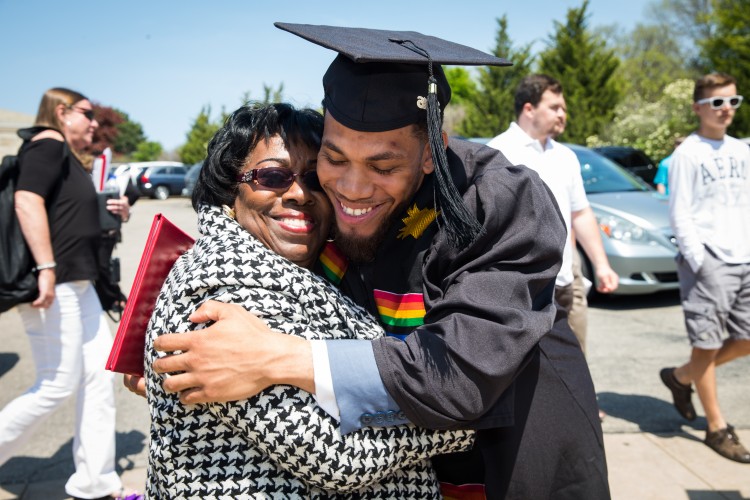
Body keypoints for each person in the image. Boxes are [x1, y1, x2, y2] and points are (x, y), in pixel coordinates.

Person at [151, 24, 610, 498]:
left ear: (432, 153)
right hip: (405, 469)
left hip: (512, 455)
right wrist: (165, 355)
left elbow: (459, 376)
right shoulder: (322, 198)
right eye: (333, 158)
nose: (351, 187)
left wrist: (280, 358)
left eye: (383, 166)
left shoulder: (499, 201)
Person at [145, 102, 473, 498]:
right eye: (272, 176)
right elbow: (336, 452)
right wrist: (462, 412)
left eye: (315, 177)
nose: (299, 193)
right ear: (230, 186)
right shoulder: (225, 287)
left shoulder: (295, 264)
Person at [0, 88, 124, 500]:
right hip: (56, 284)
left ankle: (95, 482)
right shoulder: (48, 143)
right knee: (57, 383)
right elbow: (26, 200)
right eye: (86, 114)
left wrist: (113, 213)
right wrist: (46, 268)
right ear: (61, 112)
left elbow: (71, 217)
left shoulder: (72, 160)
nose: (94, 123)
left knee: (98, 377)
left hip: (80, 284)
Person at [487, 74, 619, 347]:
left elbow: (580, 213)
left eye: (564, 108)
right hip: (522, 285)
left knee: (575, 362)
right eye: (555, 107)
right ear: (529, 108)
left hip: (568, 277)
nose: (563, 114)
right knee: (528, 372)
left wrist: (602, 265)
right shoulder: (498, 152)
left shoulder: (565, 156)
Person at [659, 72, 750, 464]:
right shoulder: (688, 154)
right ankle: (717, 428)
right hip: (708, 259)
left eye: (733, 101)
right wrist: (699, 260)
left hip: (744, 255)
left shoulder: (742, 150)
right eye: (717, 103)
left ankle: (680, 377)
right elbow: (679, 213)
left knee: (746, 338)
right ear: (698, 108)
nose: (726, 109)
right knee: (708, 342)